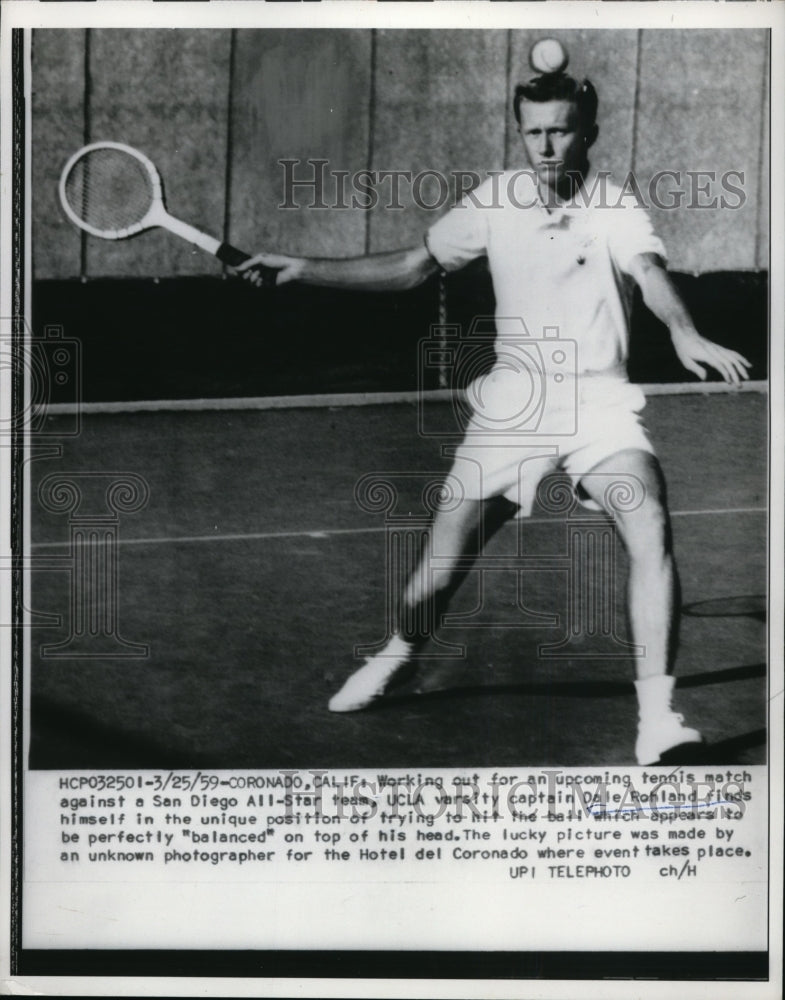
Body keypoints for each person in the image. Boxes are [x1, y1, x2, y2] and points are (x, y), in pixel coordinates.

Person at [239, 69, 751, 765]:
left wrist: (685, 332)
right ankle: (399, 655)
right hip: (513, 404)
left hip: (597, 404)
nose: (544, 146)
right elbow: (413, 265)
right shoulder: (492, 202)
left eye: (559, 130)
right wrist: (301, 268)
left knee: (649, 519)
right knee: (441, 563)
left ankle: (657, 718)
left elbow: (650, 277)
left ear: (588, 134)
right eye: (532, 131)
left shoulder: (615, 208)